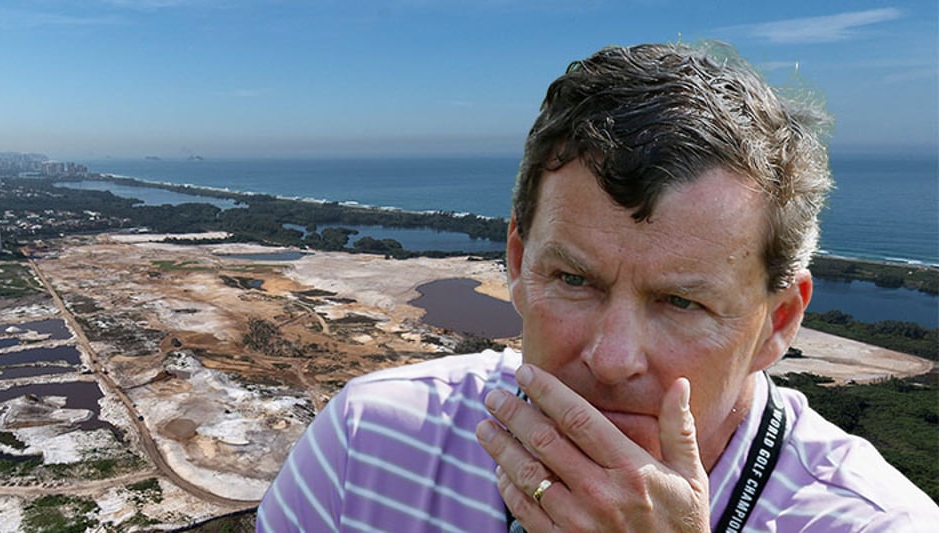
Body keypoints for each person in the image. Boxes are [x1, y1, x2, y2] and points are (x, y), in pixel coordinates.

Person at [256, 42, 939, 532]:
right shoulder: (367, 442)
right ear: (519, 265)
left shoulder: (873, 520)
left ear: (778, 322)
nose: (612, 359)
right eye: (575, 279)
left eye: (680, 301)